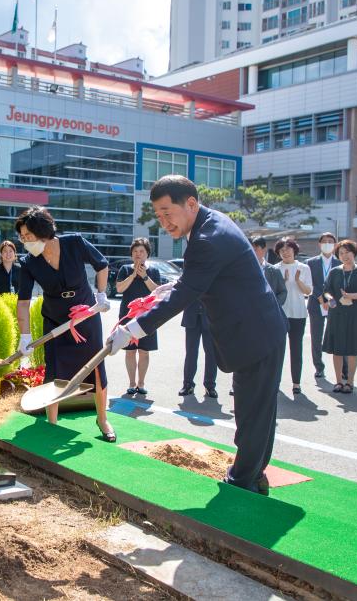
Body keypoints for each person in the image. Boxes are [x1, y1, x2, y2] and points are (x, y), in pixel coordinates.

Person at [106, 175, 287, 495]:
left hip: (254, 335)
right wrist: (164, 289)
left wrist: (131, 330)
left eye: (167, 212)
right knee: (257, 411)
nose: (163, 222)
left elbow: (185, 295)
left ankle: (241, 483)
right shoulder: (210, 224)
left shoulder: (206, 237)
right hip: (259, 330)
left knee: (252, 414)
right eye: (158, 216)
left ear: (190, 204)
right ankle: (255, 476)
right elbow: (194, 280)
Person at [14, 207, 115, 441]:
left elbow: (102, 264)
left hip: (86, 315)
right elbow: (23, 302)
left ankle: (102, 419)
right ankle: (52, 423)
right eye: (22, 237)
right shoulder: (29, 262)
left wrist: (101, 296)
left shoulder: (74, 243)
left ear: (43, 232)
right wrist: (25, 336)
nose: (25, 241)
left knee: (96, 367)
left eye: (28, 236)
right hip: (54, 320)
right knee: (55, 370)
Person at [321, 240, 357, 395]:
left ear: (354, 253)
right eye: (341, 253)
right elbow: (326, 290)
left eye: (347, 252)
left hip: (354, 314)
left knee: (352, 350)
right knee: (337, 349)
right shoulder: (334, 271)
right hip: (336, 313)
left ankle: (350, 382)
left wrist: (351, 296)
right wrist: (330, 299)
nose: (344, 256)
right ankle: (338, 382)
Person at [115, 238, 160, 396]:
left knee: (144, 351)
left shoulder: (153, 270)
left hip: (148, 316)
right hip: (128, 316)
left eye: (141, 251)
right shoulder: (125, 269)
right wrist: (133, 275)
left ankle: (141, 383)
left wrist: (145, 277)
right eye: (135, 251)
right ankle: (131, 383)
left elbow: (157, 292)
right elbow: (119, 289)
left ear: (147, 253)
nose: (138, 254)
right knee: (130, 351)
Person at [275, 237, 312, 395]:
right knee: (278, 350)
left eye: (288, 249)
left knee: (296, 350)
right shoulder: (275, 269)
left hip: (298, 314)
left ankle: (296, 383)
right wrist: (282, 282)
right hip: (279, 314)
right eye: (282, 250)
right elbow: (272, 292)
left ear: (294, 250)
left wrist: (297, 281)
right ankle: (275, 381)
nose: (285, 252)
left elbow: (308, 291)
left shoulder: (303, 268)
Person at [306, 232, 345, 380]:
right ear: (319, 244)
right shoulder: (311, 262)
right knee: (316, 337)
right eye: (324, 242)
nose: (327, 244)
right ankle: (319, 367)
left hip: (335, 305)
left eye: (330, 241)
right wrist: (320, 298)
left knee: (339, 336)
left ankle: (344, 368)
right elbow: (311, 284)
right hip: (316, 304)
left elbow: (341, 284)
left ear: (335, 245)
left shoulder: (340, 263)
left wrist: (331, 299)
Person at [179, 300, 219, 399]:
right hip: (191, 315)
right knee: (190, 353)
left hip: (210, 317)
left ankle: (210, 386)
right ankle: (188, 384)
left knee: (211, 355)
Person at [250, 236, 287, 307]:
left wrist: (274, 305)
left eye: (255, 249)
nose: (252, 252)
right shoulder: (244, 269)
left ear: (264, 249)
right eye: (251, 249)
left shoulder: (274, 270)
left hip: (269, 311)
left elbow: (283, 292)